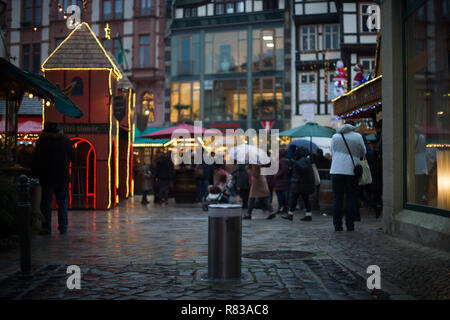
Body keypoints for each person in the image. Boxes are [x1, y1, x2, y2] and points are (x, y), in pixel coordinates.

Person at [32, 122, 74, 235]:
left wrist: (35, 173)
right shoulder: (65, 141)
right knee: (63, 202)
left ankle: (46, 227)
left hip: (46, 177)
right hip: (62, 177)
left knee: (46, 203)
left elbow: (35, 159)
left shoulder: (41, 142)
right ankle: (63, 227)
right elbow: (72, 156)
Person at [330, 122, 366, 232]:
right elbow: (363, 152)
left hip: (336, 170)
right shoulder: (358, 137)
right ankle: (350, 225)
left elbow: (332, 152)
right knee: (351, 198)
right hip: (351, 170)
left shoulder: (335, 137)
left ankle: (337, 225)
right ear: (353, 127)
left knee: (337, 198)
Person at [282, 146, 316, 222]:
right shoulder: (306, 160)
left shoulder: (302, 160)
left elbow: (303, 169)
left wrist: (295, 163)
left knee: (294, 199)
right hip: (303, 184)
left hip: (299, 184)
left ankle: (290, 215)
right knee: (305, 199)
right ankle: (308, 215)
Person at [274, 149, 289, 214]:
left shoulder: (282, 160)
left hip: (280, 180)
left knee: (280, 195)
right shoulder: (284, 160)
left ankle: (281, 207)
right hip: (281, 180)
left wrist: (276, 175)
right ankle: (283, 207)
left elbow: (283, 170)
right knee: (282, 195)